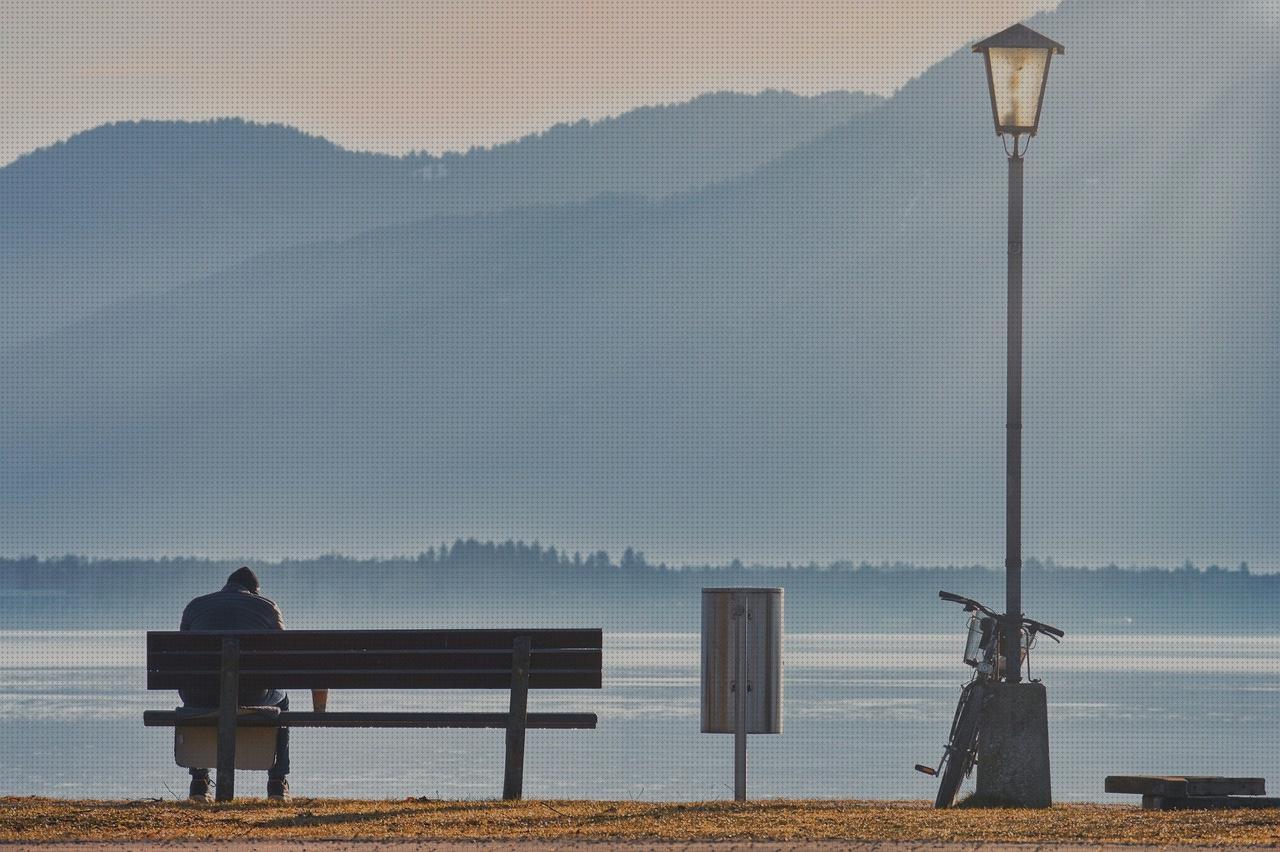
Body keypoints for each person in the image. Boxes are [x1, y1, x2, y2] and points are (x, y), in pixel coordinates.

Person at [179, 566, 290, 802]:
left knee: (196, 693)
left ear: (225, 586)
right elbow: (284, 657)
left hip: (200, 694)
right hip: (252, 693)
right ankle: (277, 784)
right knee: (283, 699)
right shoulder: (267, 607)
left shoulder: (195, 606)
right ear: (255, 591)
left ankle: (199, 782)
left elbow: (183, 659)